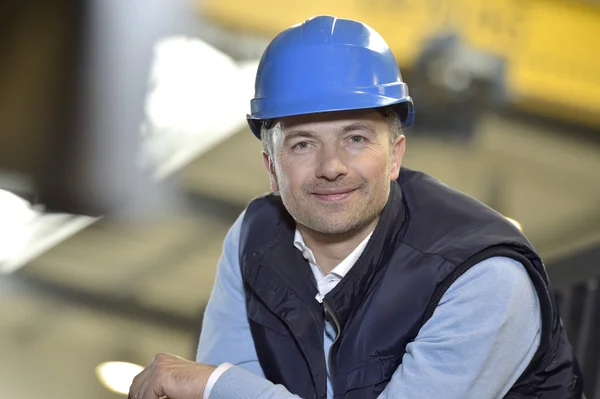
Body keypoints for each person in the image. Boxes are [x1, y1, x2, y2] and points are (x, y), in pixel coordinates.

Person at [129, 15, 584, 399]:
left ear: (395, 156)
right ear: (271, 167)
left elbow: (227, 388)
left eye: (356, 138)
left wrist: (216, 385)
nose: (331, 167)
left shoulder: (481, 277)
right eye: (303, 143)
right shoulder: (253, 239)